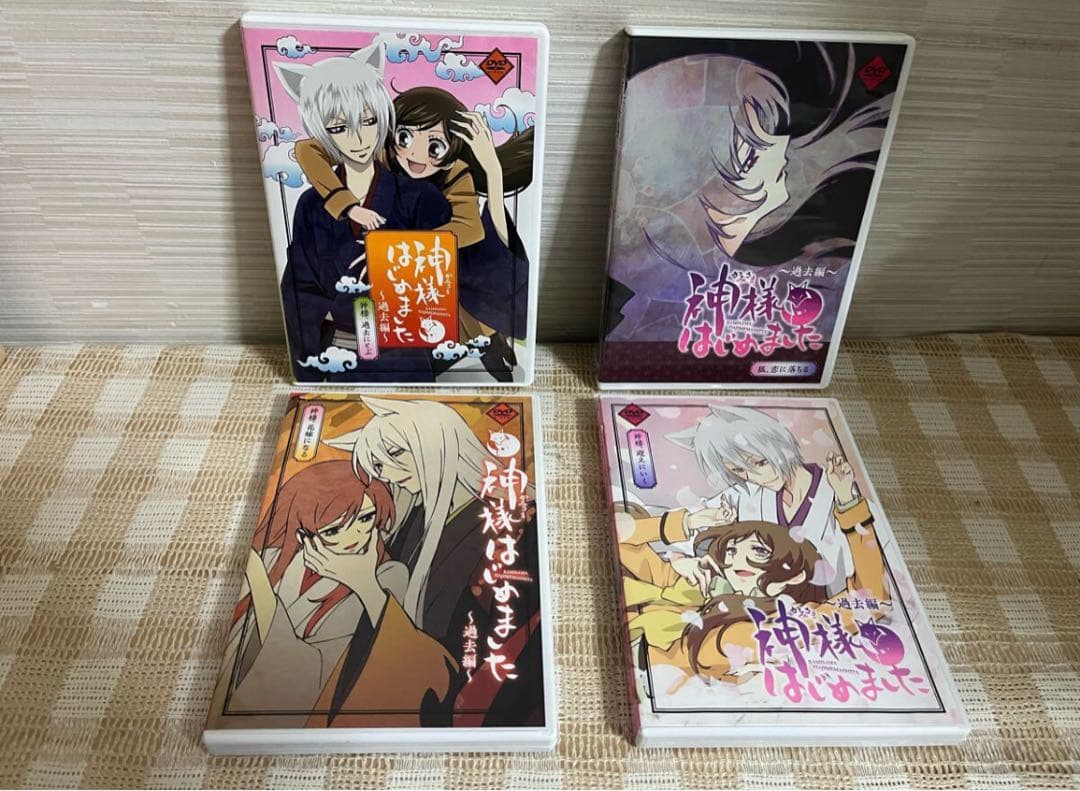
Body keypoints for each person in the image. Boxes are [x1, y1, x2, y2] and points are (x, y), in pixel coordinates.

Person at [294, 86, 534, 380]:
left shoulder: (455, 172)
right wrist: (346, 205)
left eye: (435, 147)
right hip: (392, 276)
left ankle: (487, 341)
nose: (416, 155)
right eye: (406, 138)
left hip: (433, 261)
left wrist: (400, 250)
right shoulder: (379, 152)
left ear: (453, 149)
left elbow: (469, 228)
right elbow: (308, 149)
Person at [620, 452, 889, 683]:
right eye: (731, 551)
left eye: (758, 552)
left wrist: (849, 505)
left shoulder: (761, 627)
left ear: (795, 574)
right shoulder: (697, 584)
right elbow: (622, 534)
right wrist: (691, 522)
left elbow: (872, 600)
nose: (736, 561)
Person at [222, 460, 455, 724]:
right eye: (333, 530)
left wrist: (360, 581)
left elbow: (317, 677)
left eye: (365, 518)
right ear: (303, 535)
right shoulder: (273, 560)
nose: (355, 535)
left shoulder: (388, 576)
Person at [274, 44, 451, 382]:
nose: (358, 138)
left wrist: (389, 264)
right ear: (321, 132)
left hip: (404, 357)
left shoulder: (420, 198)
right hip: (336, 355)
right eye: (339, 128)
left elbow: (441, 280)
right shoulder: (311, 204)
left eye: (369, 121)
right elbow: (299, 287)